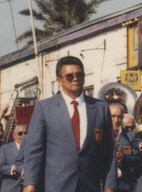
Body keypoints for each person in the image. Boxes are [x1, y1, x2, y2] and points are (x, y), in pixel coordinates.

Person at [22, 56, 117, 192]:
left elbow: (109, 153)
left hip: (90, 186)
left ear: (84, 78)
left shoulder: (100, 108)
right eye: (69, 76)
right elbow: (34, 151)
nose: (75, 78)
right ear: (59, 81)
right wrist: (30, 184)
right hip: (57, 186)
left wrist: (110, 187)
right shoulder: (44, 108)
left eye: (79, 75)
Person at [109, 103, 142, 192]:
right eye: (113, 116)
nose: (116, 120)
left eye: (119, 117)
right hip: (105, 183)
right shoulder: (101, 134)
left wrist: (124, 158)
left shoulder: (131, 135)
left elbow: (138, 159)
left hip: (125, 185)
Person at [0, 124, 26, 192]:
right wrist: (15, 168)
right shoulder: (5, 148)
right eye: (20, 133)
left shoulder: (33, 149)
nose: (23, 136)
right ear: (14, 135)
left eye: (26, 133)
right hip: (11, 188)